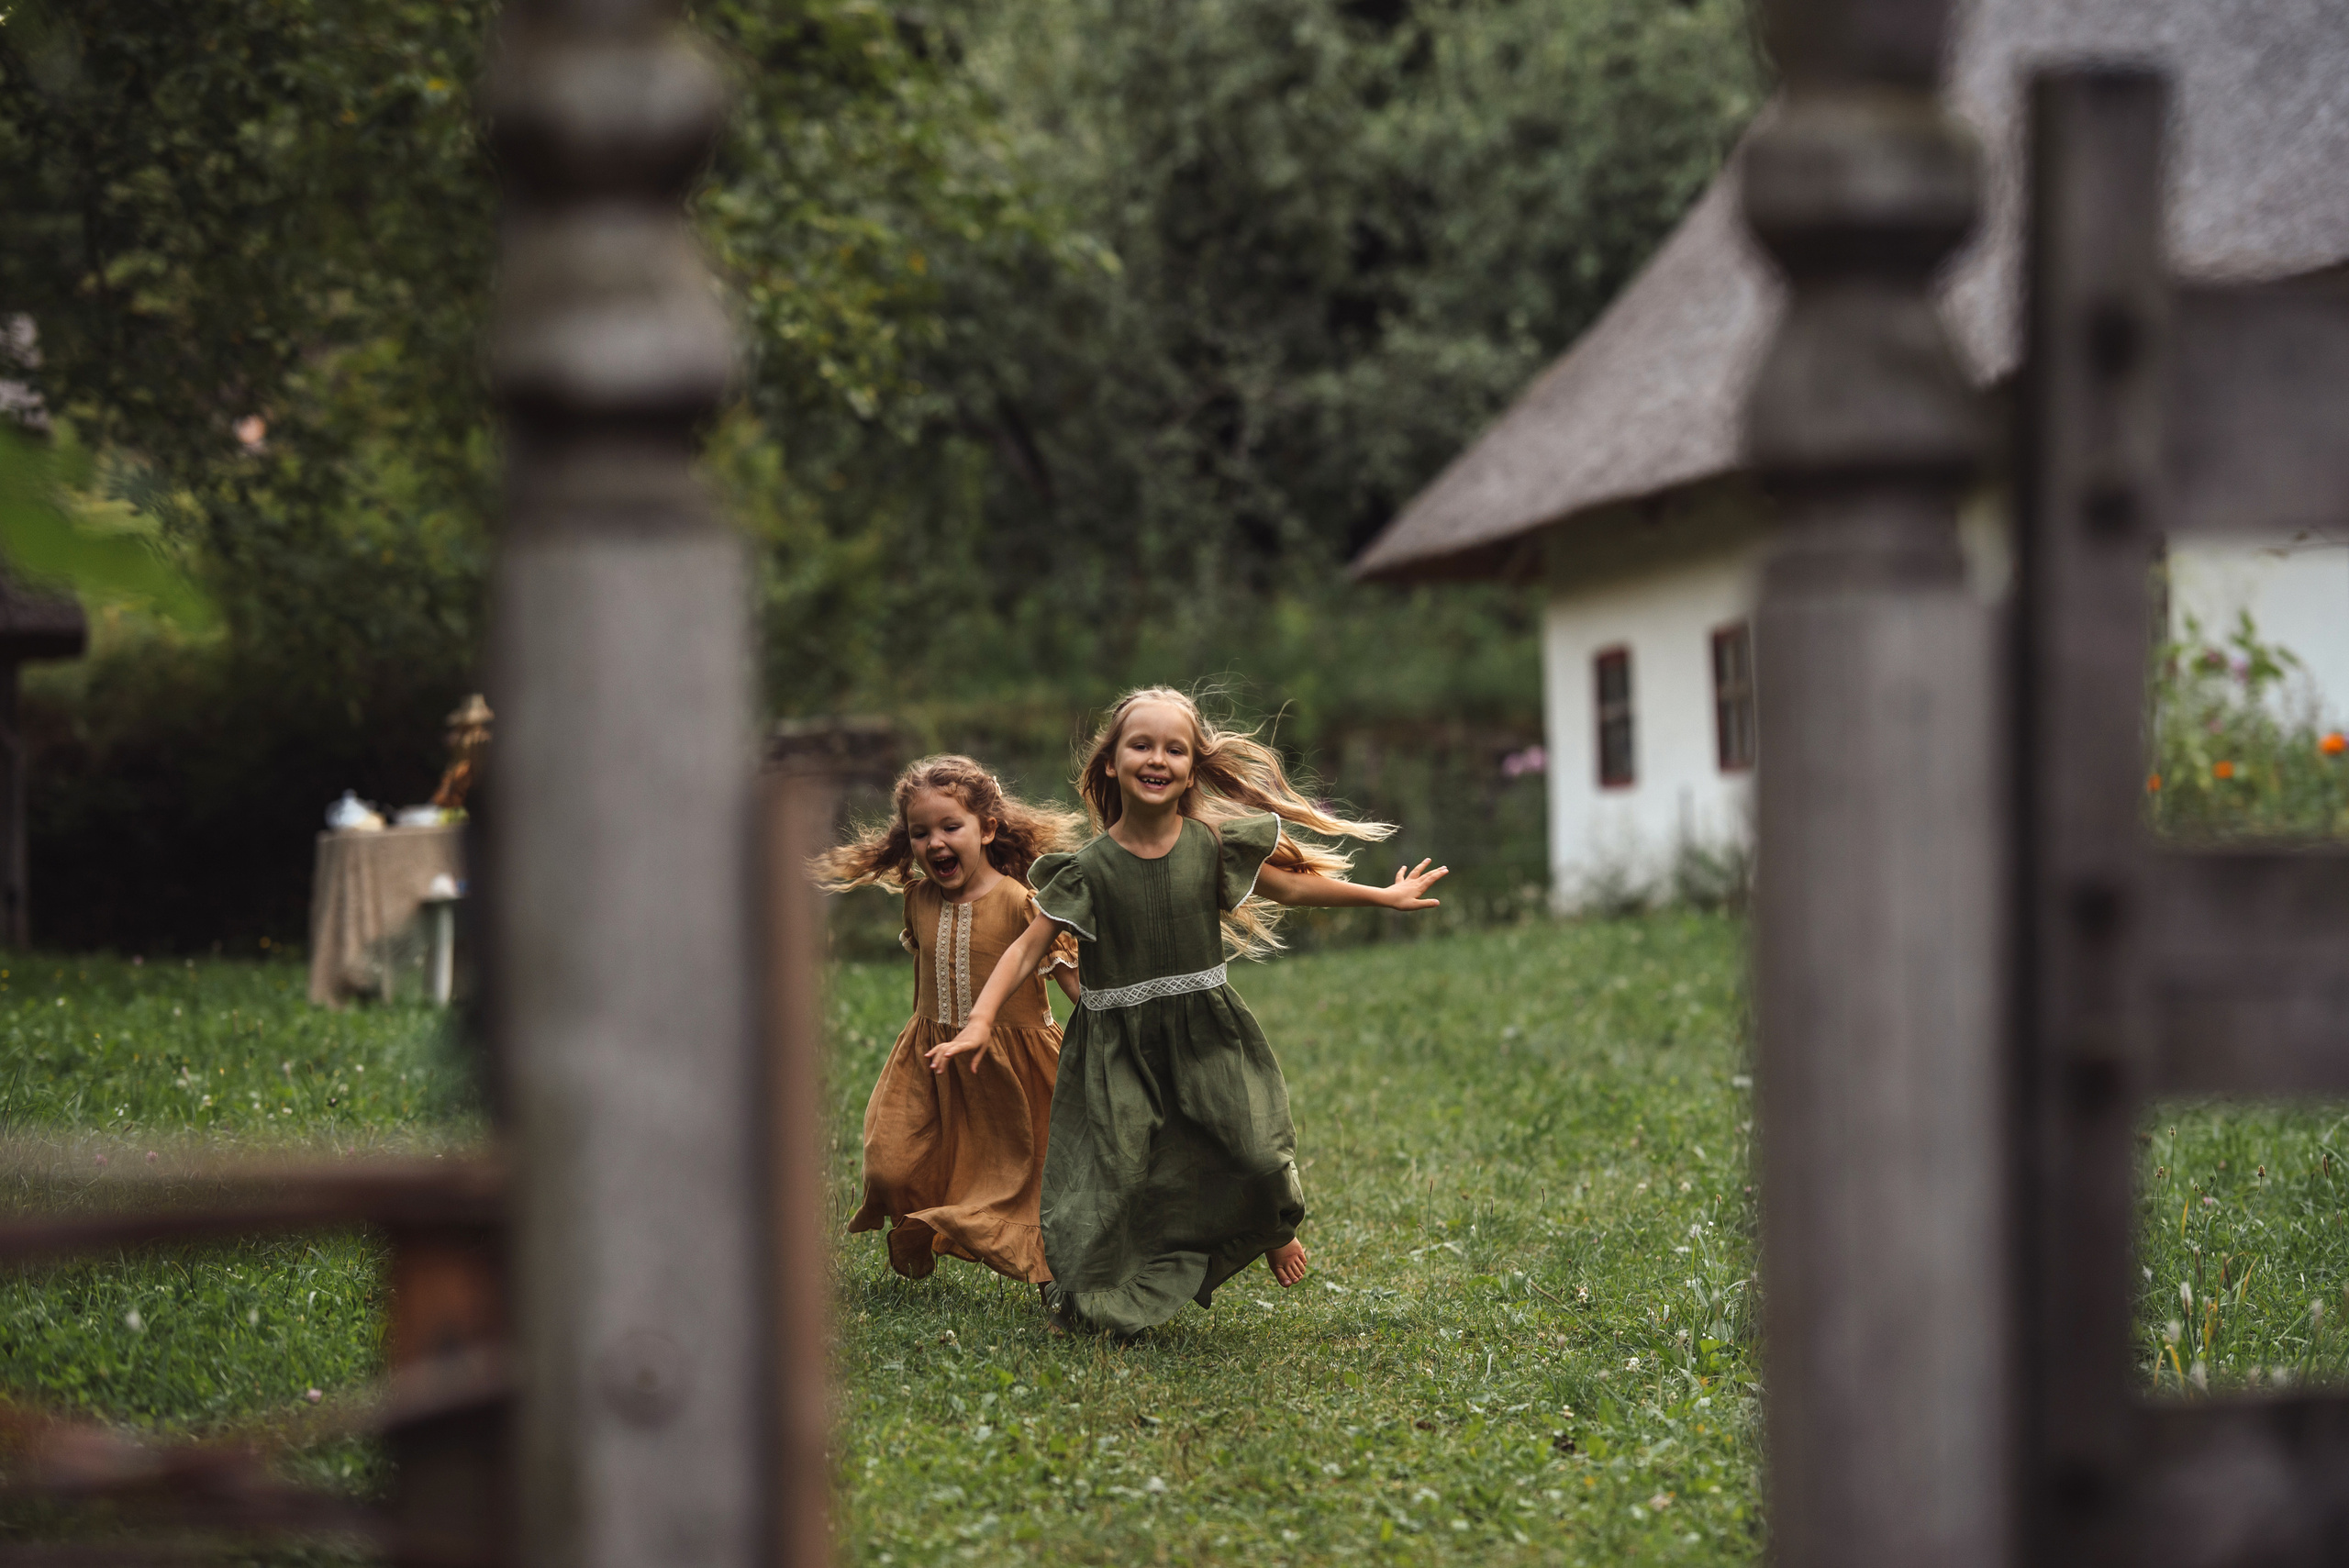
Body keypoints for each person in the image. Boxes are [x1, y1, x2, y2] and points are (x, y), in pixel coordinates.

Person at [938, 687, 1448, 1336]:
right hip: (1117, 1044)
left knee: (1256, 1150)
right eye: (1141, 745)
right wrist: (980, 1019)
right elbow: (1024, 951)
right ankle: (1089, 1289)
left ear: (1192, 766)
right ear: (1112, 764)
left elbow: (1291, 884)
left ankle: (1269, 1226)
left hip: (1205, 1030)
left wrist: (1384, 895)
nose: (1158, 758)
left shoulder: (1210, 844)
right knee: (1118, 1177)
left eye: (1174, 748)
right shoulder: (1089, 870)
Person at [814, 755, 1083, 1284]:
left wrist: (1127, 1026)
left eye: (950, 827)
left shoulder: (1024, 904)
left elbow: (1078, 988)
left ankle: (1062, 1272)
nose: (934, 842)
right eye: (920, 833)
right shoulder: (919, 900)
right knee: (887, 1164)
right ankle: (923, 1229)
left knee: (1034, 1184)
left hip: (1017, 1067)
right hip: (931, 1061)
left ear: (987, 829)